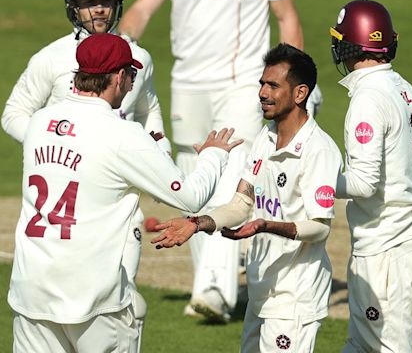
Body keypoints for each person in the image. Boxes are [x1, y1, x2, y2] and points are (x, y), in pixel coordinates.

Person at [8, 33, 241, 353]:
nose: (132, 84)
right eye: (131, 75)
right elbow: (190, 197)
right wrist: (214, 155)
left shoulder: (38, 122)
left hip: (30, 291)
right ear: (117, 77)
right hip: (93, 298)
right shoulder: (122, 135)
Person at [117, 0, 323, 322]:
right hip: (188, 83)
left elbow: (286, 15)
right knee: (191, 176)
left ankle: (213, 289)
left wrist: (297, 79)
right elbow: (144, 8)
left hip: (242, 82)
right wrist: (119, 45)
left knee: (232, 165)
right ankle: (208, 284)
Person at [1, 0, 167, 342]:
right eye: (89, 2)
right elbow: (14, 112)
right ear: (72, 5)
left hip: (120, 202)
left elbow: (149, 113)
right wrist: (53, 146)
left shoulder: (137, 58)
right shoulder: (52, 58)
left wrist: (161, 157)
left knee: (127, 306)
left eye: (105, 1)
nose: (99, 11)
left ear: (118, 1)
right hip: (70, 204)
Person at [152, 43, 342, 352]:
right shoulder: (265, 139)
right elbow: (242, 203)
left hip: (294, 295)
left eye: (273, 85)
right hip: (262, 288)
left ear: (300, 93)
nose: (263, 93)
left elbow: (319, 227)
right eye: (261, 84)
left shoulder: (319, 150)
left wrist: (267, 225)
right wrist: (198, 223)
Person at [329, 0, 412, 352]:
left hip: (386, 252)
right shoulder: (407, 90)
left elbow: (364, 183)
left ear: (347, 44)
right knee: (360, 346)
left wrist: (316, 179)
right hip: (409, 243)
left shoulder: (367, 98)